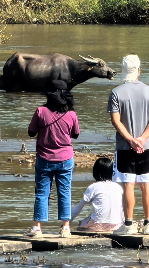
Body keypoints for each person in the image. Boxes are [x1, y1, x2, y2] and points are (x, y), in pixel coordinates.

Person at [108, 55, 149, 235]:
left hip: (125, 147)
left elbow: (116, 121)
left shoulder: (116, 92)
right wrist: (143, 139)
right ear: (139, 70)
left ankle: (129, 225)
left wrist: (131, 140)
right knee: (146, 184)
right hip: (146, 146)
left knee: (128, 185)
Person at [24, 80, 80, 239]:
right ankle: (65, 227)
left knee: (42, 192)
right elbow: (75, 134)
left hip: (44, 158)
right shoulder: (71, 114)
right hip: (66, 158)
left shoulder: (40, 111)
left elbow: (31, 132)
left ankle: (37, 228)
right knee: (64, 192)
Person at [70, 157, 124, 233]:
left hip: (98, 224)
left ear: (95, 172)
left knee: (81, 224)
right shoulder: (118, 187)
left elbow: (78, 208)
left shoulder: (93, 187)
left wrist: (67, 223)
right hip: (117, 224)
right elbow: (123, 208)